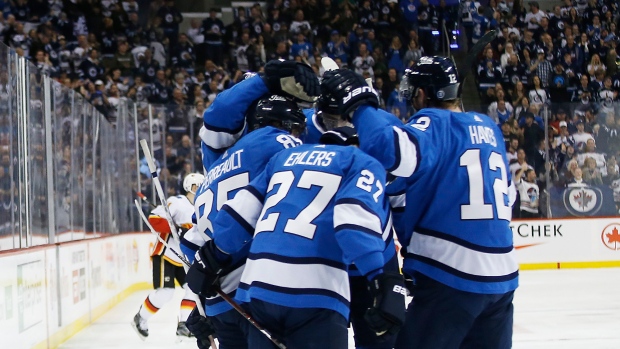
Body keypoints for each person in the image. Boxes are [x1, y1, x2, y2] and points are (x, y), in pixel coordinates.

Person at [320, 56, 519, 348]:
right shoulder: (488, 127)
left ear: (423, 93)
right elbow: (509, 197)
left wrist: (358, 103)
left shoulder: (433, 122)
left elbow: (388, 147)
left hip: (451, 275)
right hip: (503, 279)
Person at [186, 131, 406, 349]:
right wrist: (382, 280)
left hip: (257, 288)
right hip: (315, 292)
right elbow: (352, 227)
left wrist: (211, 258)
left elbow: (238, 215)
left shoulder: (284, 158)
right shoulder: (362, 162)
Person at [182, 95, 306, 349]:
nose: (297, 135)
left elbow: (191, 246)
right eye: (293, 128)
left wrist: (201, 303)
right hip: (258, 292)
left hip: (221, 305)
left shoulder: (213, 172)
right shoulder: (271, 140)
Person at [132, 173, 205, 340]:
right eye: (200, 186)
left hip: (184, 259)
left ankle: (184, 325)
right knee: (166, 292)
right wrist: (177, 229)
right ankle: (140, 317)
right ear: (192, 187)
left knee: (192, 289)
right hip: (166, 254)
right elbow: (154, 218)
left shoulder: (201, 208)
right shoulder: (177, 202)